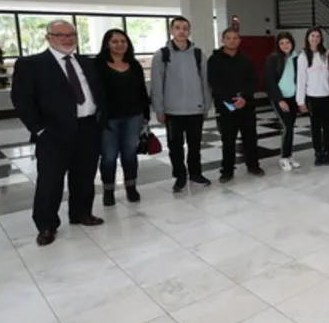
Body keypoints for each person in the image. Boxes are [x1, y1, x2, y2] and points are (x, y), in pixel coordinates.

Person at [11, 20, 105, 246]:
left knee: (84, 176)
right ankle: (46, 225)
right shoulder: (31, 64)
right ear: (49, 38)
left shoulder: (87, 62)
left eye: (71, 35)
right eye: (60, 35)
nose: (67, 39)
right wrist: (39, 128)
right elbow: (21, 100)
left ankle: (81, 213)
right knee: (50, 181)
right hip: (53, 132)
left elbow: (99, 91)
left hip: (88, 127)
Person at [151, 17, 211, 192]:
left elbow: (205, 82)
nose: (181, 31)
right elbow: (157, 84)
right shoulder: (162, 55)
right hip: (172, 111)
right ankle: (180, 176)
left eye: (185, 28)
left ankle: (196, 174)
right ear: (171, 31)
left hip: (195, 109)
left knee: (195, 146)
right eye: (177, 28)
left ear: (189, 31)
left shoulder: (199, 54)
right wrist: (159, 109)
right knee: (175, 147)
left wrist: (206, 105)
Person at [95, 28, 150, 206]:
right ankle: (108, 190)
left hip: (133, 116)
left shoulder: (134, 65)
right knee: (109, 156)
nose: (120, 45)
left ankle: (131, 187)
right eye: (115, 41)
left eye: (123, 41)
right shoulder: (97, 65)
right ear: (107, 44)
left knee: (129, 154)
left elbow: (142, 91)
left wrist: (146, 116)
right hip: (108, 119)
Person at [207, 29, 265, 182]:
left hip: (246, 105)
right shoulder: (214, 60)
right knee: (228, 140)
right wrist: (231, 100)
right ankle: (227, 170)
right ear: (223, 40)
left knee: (250, 138)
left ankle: (253, 165)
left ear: (239, 40)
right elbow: (215, 83)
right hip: (226, 107)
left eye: (235, 38)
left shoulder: (246, 59)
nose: (232, 41)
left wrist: (244, 97)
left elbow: (253, 81)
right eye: (228, 38)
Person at [297, 28, 329, 166]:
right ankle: (318, 153)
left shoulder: (326, 54)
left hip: (327, 96)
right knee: (316, 127)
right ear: (308, 38)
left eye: (318, 36)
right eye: (312, 36)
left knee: (328, 127)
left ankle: (327, 152)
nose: (315, 39)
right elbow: (301, 80)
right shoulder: (303, 56)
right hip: (312, 97)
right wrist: (300, 101)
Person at [264, 31, 300, 171]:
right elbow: (269, 81)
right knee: (287, 127)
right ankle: (284, 157)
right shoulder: (273, 58)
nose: (285, 45)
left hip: (293, 98)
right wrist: (279, 99)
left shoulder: (296, 57)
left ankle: (290, 155)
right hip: (280, 99)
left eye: (288, 42)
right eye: (282, 43)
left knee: (291, 126)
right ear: (278, 45)